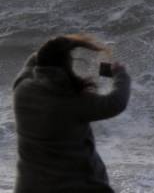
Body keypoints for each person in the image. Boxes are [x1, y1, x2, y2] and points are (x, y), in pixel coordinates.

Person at [12, 35, 131, 193]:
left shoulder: (21, 89)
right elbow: (115, 103)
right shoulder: (72, 101)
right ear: (66, 65)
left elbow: (30, 63)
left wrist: (49, 50)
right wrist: (120, 74)